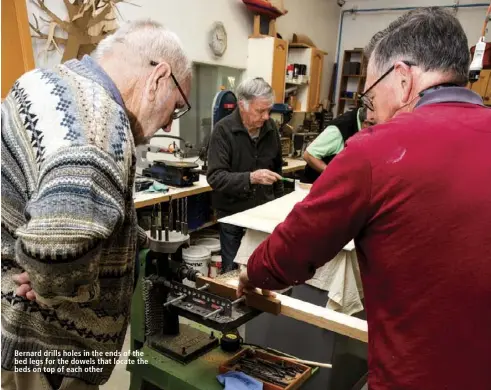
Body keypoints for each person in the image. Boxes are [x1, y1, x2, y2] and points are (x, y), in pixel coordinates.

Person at [237, 7, 491, 390]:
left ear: (403, 80)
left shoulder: (376, 150)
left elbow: (298, 243)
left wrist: (252, 271)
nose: (370, 115)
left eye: (370, 100)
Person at [1, 20, 191, 390]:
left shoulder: (43, 82)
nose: (169, 120)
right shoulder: (99, 124)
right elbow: (57, 243)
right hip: (48, 347)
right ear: (159, 77)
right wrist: (55, 286)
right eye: (177, 107)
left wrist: (126, 238)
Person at [207, 78, 284, 273]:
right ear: (242, 105)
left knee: (262, 271)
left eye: (269, 110)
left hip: (263, 216)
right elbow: (215, 177)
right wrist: (251, 178)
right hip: (234, 215)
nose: (266, 116)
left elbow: (277, 171)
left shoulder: (270, 128)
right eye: (260, 111)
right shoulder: (223, 131)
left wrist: (279, 209)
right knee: (233, 274)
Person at [302, 107, 375, 183]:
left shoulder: (363, 128)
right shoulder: (338, 131)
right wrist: (335, 174)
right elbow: (309, 155)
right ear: (367, 123)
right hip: (314, 185)